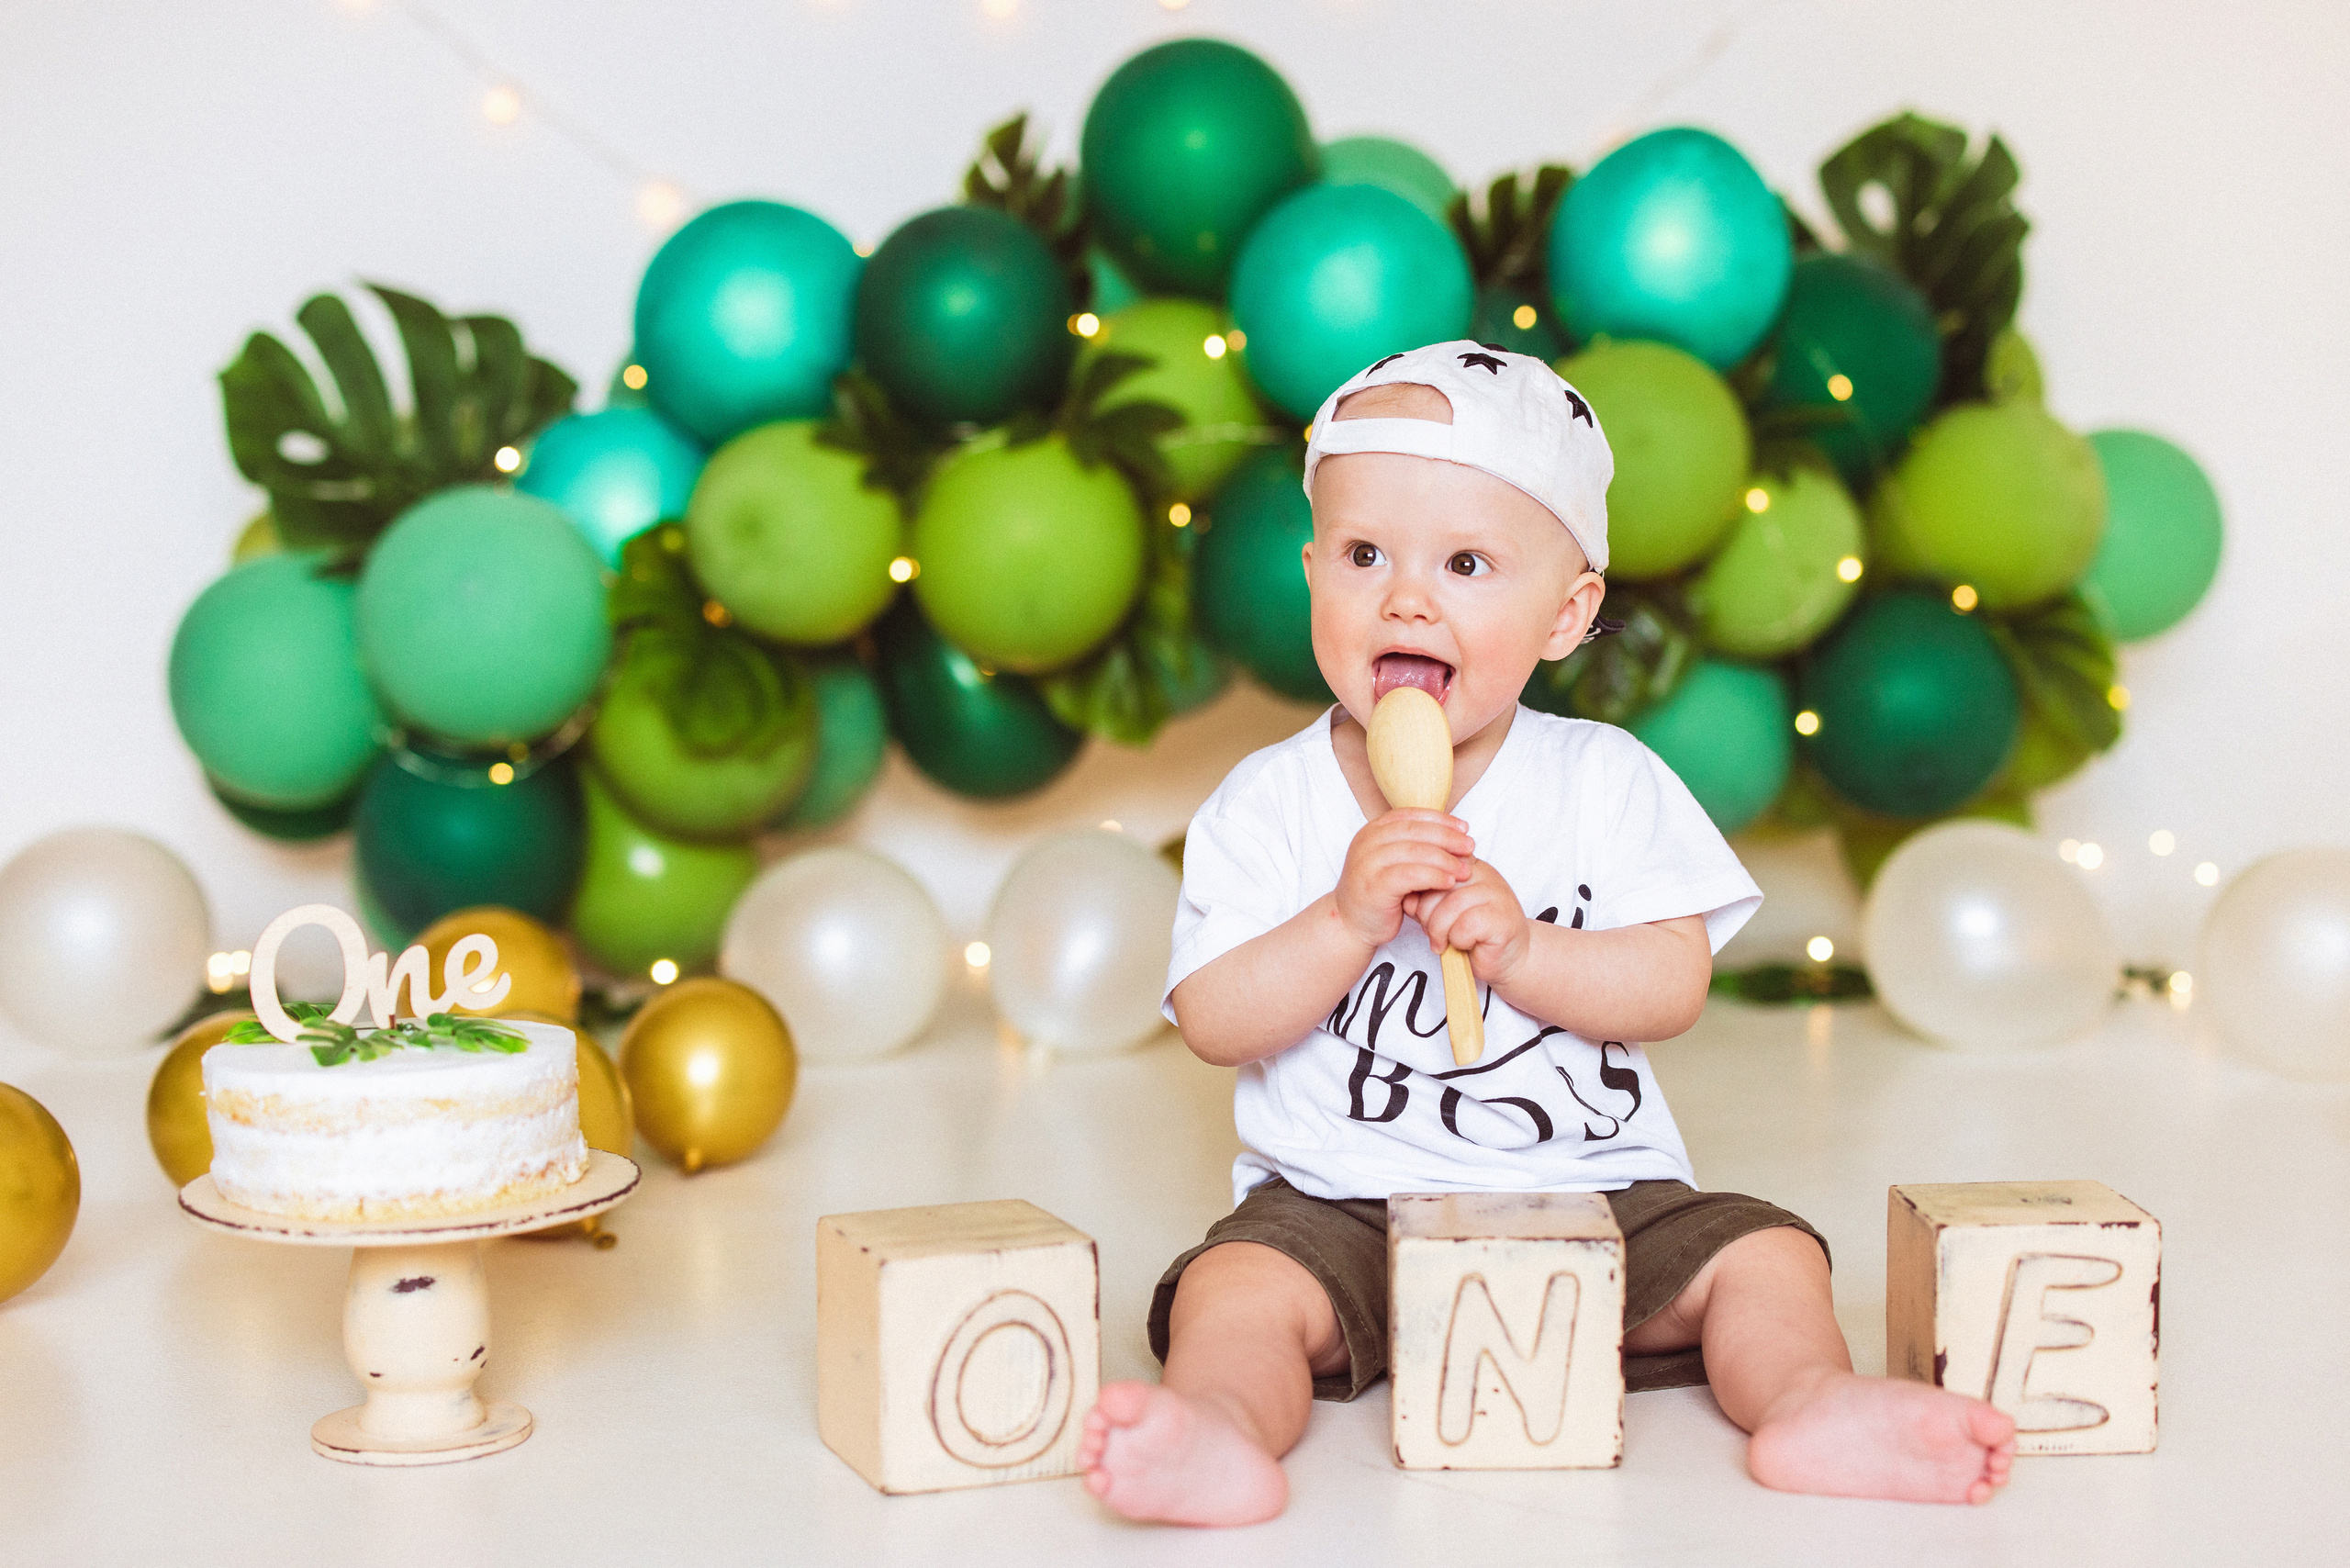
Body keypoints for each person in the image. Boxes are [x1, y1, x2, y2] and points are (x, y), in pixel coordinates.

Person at [1077, 342, 2017, 1526]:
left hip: (1594, 1189)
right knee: (1231, 1292)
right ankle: (1219, 1429)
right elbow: (1215, 1019)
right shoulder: (1268, 802)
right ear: (1311, 573)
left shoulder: (1604, 779)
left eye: (1466, 563)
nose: (1406, 599)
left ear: (1567, 615)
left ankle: (1810, 1402)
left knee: (1769, 1259)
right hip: (1337, 1199)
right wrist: (1345, 919)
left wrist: (1527, 951)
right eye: (1364, 556)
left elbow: (1671, 985)